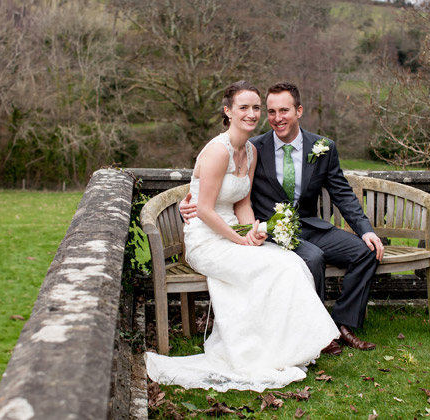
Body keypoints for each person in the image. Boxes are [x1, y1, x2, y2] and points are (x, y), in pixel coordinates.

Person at [144, 81, 340, 392]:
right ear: (228, 111)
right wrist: (240, 240)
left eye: (255, 108)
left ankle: (286, 344)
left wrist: (252, 231)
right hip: (207, 241)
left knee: (290, 261)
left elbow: (243, 202)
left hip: (233, 233)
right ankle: (260, 349)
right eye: (243, 108)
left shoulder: (249, 151)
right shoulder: (217, 151)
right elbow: (206, 210)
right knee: (273, 266)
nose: (251, 114)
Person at [181, 82, 384, 356]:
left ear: (298, 111)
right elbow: (213, 189)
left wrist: (365, 230)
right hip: (270, 229)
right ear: (229, 111)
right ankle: (316, 333)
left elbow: (342, 193)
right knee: (311, 258)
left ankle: (342, 324)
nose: (277, 118)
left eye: (284, 110)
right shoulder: (254, 145)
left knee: (366, 251)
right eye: (271, 111)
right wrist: (195, 207)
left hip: (310, 226)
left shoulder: (323, 147)